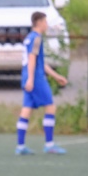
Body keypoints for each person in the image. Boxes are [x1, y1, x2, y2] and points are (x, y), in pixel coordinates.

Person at [16, 11, 68, 155]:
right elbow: (32, 59)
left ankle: (20, 146)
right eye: (45, 22)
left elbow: (40, 63)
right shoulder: (37, 38)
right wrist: (31, 79)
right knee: (50, 107)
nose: (47, 25)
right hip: (36, 79)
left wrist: (56, 76)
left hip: (27, 76)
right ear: (39, 22)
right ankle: (49, 145)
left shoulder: (29, 38)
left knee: (26, 110)